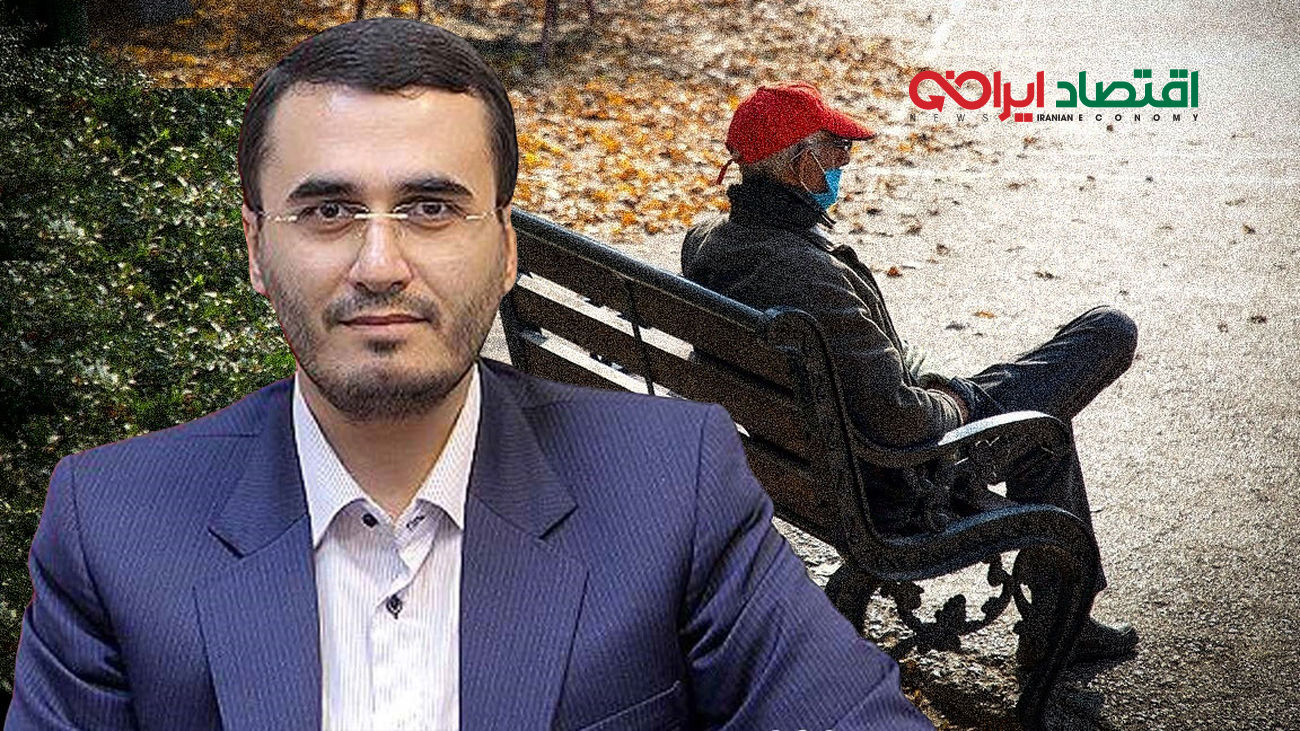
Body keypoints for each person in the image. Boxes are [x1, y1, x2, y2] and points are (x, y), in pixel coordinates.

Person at [6, 20, 933, 730]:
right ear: (256, 249)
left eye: (430, 208)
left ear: (505, 247)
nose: (379, 265)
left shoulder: (671, 486)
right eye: (328, 211)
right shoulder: (111, 528)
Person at [681, 81, 1141, 667]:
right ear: (799, 164)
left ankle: (1061, 621)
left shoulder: (710, 243)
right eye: (835, 148)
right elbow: (900, 420)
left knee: (1041, 408)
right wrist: (955, 401)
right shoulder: (806, 274)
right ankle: (1061, 625)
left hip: (800, 464)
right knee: (1105, 334)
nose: (844, 161)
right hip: (898, 478)